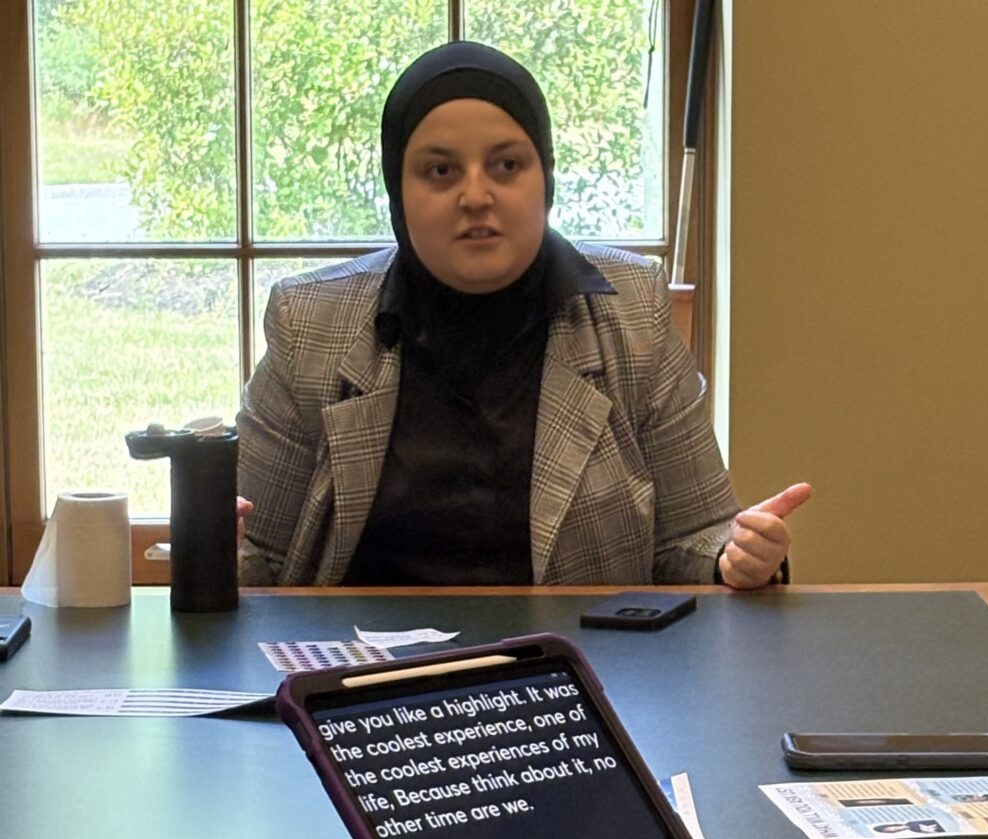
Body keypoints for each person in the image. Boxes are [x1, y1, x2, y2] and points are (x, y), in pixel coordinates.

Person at [236, 41, 810, 587]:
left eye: (506, 165)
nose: (476, 196)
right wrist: (216, 546)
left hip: (576, 667)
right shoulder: (311, 321)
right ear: (397, 193)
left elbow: (695, 535)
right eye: (441, 171)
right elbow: (258, 558)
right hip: (364, 674)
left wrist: (737, 556)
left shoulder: (632, 308)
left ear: (546, 181)